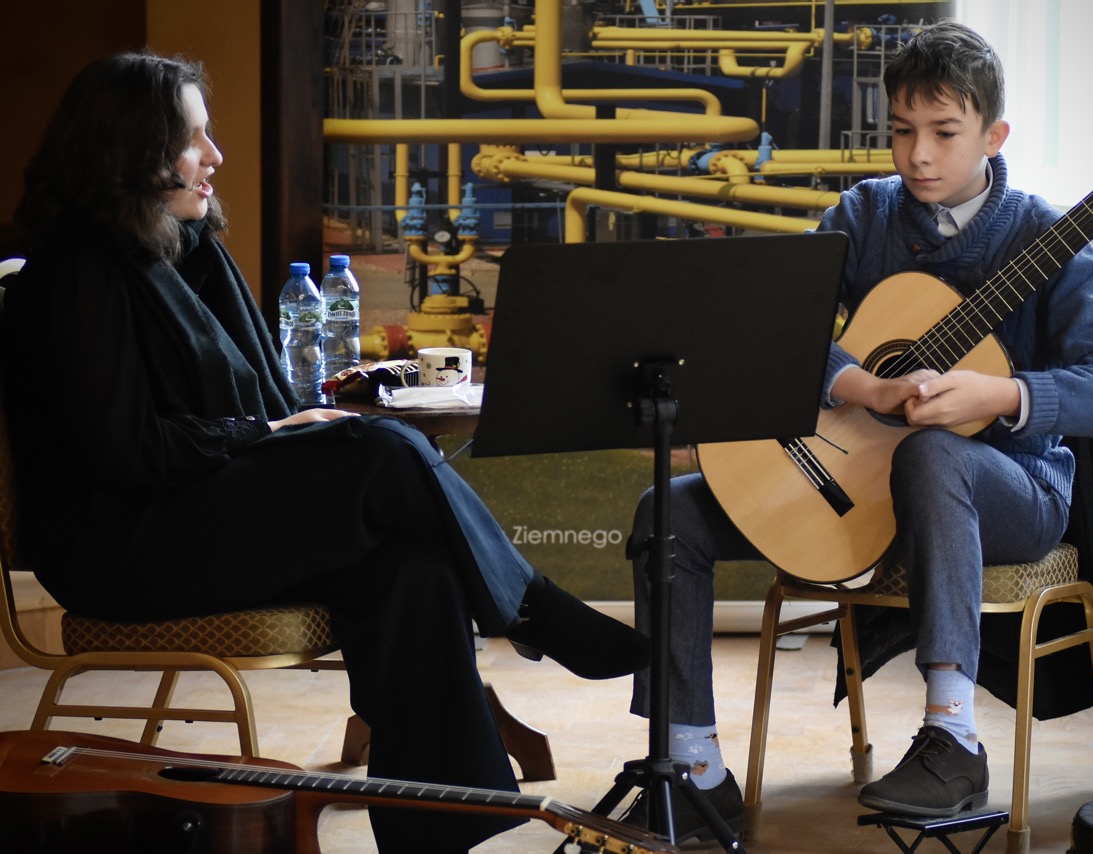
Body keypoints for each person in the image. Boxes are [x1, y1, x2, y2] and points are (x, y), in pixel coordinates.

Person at [0, 51, 648, 853]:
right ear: (131, 151)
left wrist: (293, 422)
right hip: (118, 546)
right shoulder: (75, 276)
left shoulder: (177, 254)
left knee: (412, 568)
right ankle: (537, 610)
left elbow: (252, 402)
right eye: (192, 140)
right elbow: (127, 450)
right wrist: (269, 436)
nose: (215, 156)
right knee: (379, 452)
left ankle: (446, 833)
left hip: (188, 511)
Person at [624, 20, 1093, 841]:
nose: (918, 155)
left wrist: (1003, 392)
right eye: (902, 131)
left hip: (1010, 492)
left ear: (994, 135)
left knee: (936, 451)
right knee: (669, 512)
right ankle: (694, 772)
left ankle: (953, 738)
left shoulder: (1048, 240)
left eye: (944, 132)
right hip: (861, 481)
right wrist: (859, 382)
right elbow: (776, 322)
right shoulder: (865, 213)